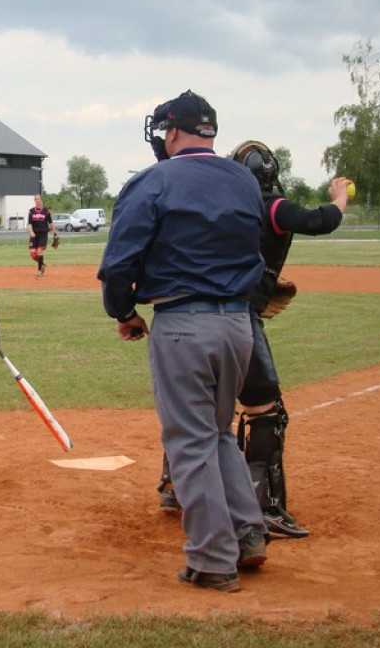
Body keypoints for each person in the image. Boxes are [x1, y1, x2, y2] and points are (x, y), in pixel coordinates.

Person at [98, 90, 268, 593]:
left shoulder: (153, 180)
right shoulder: (243, 179)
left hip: (182, 321)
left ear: (172, 132)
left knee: (190, 441)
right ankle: (247, 533)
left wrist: (124, 312)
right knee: (217, 434)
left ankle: (213, 559)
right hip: (239, 325)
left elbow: (119, 264)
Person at [158, 141, 351, 539]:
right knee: (265, 412)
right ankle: (264, 508)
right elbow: (321, 221)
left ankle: (176, 485)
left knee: (203, 407)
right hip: (239, 318)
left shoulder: (219, 201)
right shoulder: (271, 205)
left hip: (197, 313)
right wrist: (339, 197)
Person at [27, 194, 55, 277]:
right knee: (33, 253)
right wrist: (31, 232)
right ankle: (42, 263)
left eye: (39, 199)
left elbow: (51, 222)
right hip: (34, 235)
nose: (37, 201)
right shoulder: (31, 211)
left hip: (43, 234)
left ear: (41, 200)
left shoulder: (46, 211)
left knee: (39, 252)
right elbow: (29, 224)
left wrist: (55, 232)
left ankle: (39, 270)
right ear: (34, 200)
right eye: (36, 199)